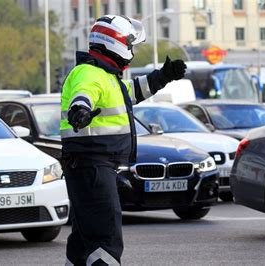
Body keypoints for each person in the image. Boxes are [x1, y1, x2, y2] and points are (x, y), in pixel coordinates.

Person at [60, 15, 187, 265]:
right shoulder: (89, 73)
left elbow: (132, 93)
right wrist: (80, 110)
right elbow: (83, 95)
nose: (132, 49)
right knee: (105, 237)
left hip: (92, 165)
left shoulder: (107, 76)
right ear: (115, 42)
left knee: (85, 237)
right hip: (92, 164)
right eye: (130, 43)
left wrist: (163, 76)